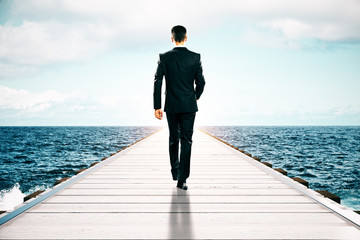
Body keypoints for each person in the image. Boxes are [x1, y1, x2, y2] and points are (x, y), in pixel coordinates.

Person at [153, 25, 205, 190]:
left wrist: (157, 106)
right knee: (187, 141)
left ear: (172, 38)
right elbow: (201, 82)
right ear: (186, 37)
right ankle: (182, 179)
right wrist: (195, 96)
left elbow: (158, 82)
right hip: (189, 105)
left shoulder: (164, 57)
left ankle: (176, 172)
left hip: (172, 105)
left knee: (173, 139)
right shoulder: (195, 57)